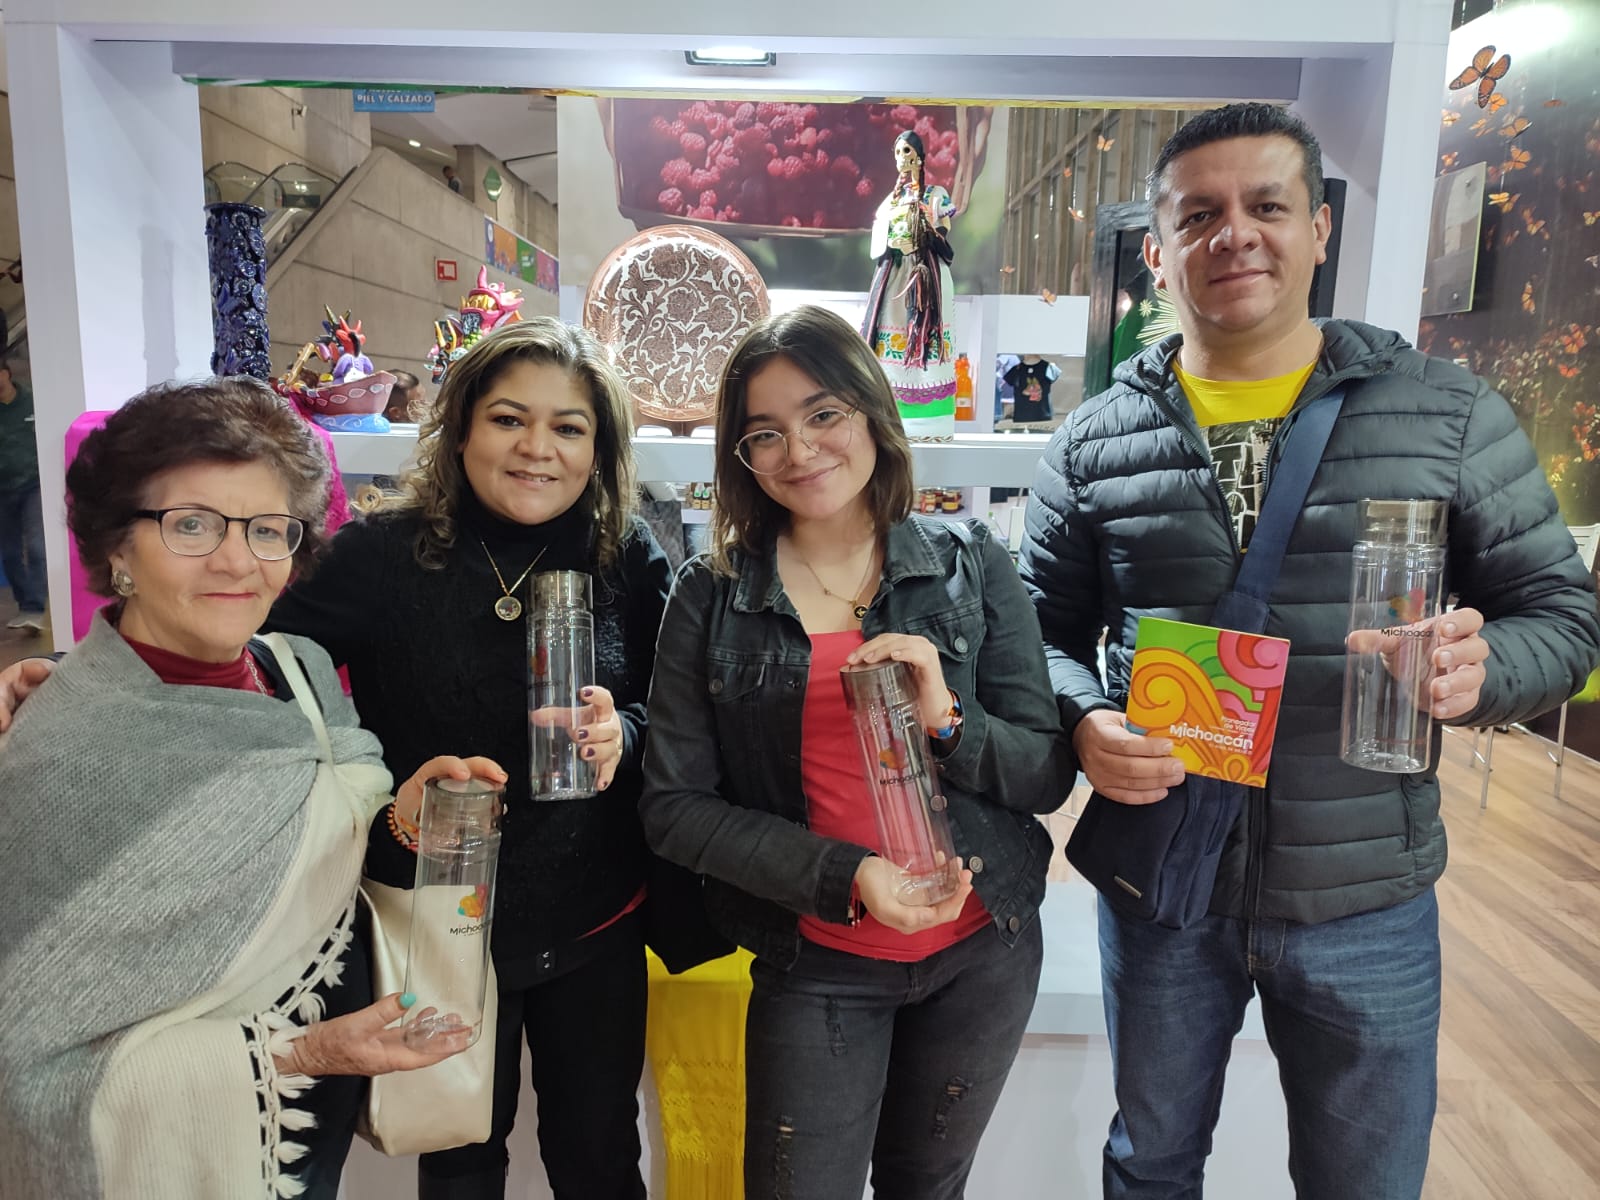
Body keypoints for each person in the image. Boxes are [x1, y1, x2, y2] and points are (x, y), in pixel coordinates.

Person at [1017, 102, 1600, 1200]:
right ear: (1157, 251)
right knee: (1150, 1165)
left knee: (1365, 1181)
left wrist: (1484, 672)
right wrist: (1084, 721)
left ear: (1319, 229)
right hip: (1166, 884)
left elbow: (1561, 616)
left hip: (1364, 894)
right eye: (1198, 214)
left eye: (1266, 206)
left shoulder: (1444, 414)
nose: (1233, 233)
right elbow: (1033, 636)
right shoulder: (1096, 439)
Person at [0, 378, 492, 1200]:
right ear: (116, 547)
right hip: (176, 1150)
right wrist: (305, 1054)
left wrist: (405, 825)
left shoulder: (299, 670)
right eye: (191, 524)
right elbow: (30, 1065)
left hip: (314, 1133)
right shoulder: (57, 752)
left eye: (268, 530)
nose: (237, 562)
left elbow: (324, 863)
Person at [641, 304, 1077, 1199]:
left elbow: (1042, 771)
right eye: (765, 433)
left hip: (982, 951)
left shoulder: (968, 564)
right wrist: (845, 875)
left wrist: (949, 719)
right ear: (742, 457)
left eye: (823, 414)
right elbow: (674, 809)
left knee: (930, 1185)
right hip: (819, 960)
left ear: (872, 411)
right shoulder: (712, 595)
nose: (799, 450)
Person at [266, 317, 672, 1199]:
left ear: (598, 450)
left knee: (600, 1156)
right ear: (460, 430)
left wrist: (627, 731)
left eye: (568, 427)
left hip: (592, 916)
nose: (537, 448)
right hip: (435, 915)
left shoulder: (626, 555)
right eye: (508, 419)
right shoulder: (382, 554)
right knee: (457, 1156)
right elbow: (267, 668)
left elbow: (676, 707)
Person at [861, 131, 958, 441]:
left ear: (918, 155)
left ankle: (930, 424)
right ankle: (892, 419)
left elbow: (944, 229)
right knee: (892, 338)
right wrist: (893, 244)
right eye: (897, 152)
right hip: (894, 278)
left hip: (925, 277)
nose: (901, 158)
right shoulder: (890, 201)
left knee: (927, 339)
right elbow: (879, 236)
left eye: (906, 151)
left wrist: (923, 237)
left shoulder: (935, 195)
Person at [0, 359, 48, 630]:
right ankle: (26, 604)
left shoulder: (33, 401)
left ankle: (36, 608)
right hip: (3, 490)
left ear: (6, 374)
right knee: (9, 554)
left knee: (38, 547)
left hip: (33, 486)